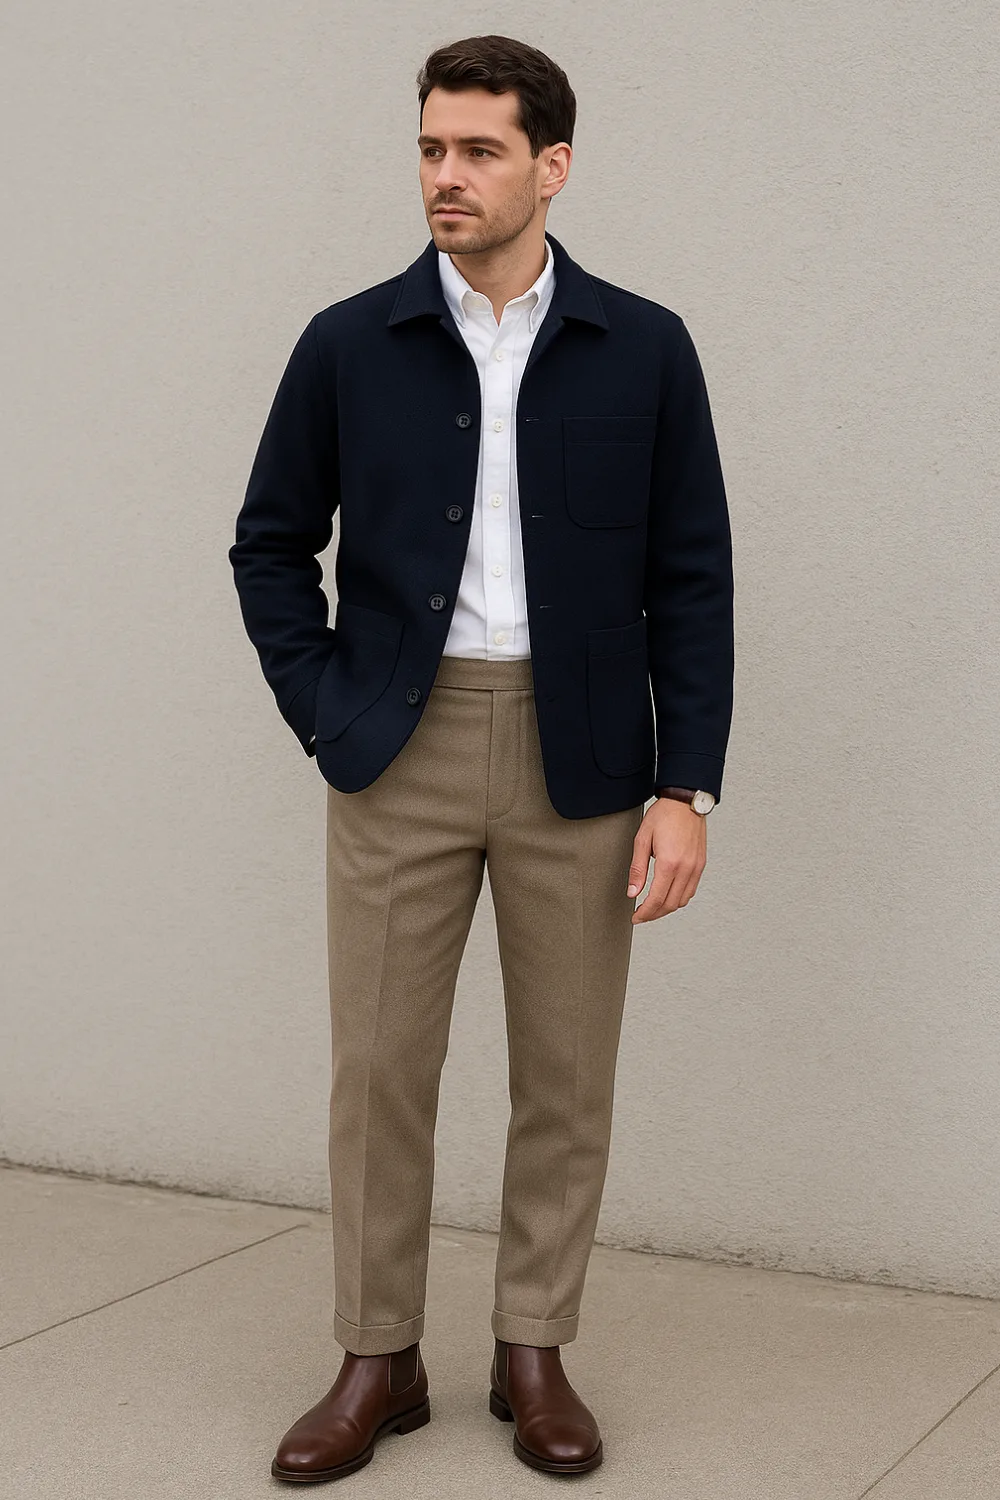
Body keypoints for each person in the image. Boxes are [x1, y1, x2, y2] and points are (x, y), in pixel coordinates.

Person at [229, 31, 734, 1484]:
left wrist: (685, 785)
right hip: (399, 747)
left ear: (551, 166)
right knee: (380, 1069)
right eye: (431, 150)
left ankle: (533, 1348)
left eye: (479, 150)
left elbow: (690, 575)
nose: (446, 177)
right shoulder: (350, 342)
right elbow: (272, 545)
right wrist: (328, 708)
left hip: (587, 759)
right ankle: (377, 1356)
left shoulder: (645, 345)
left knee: (566, 1075)